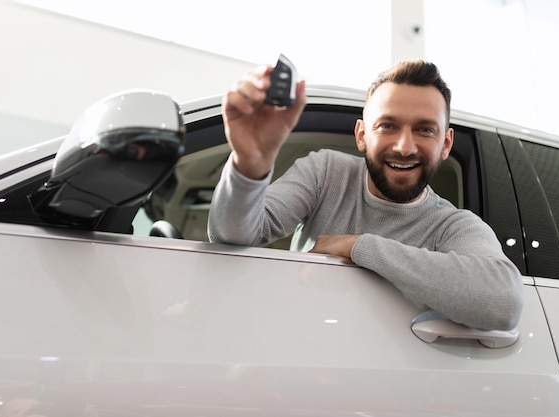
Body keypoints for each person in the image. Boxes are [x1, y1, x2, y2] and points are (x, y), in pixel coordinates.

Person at [207, 59, 523, 331]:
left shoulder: (453, 226)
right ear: (362, 135)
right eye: (387, 126)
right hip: (294, 352)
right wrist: (249, 163)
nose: (404, 147)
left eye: (425, 130)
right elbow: (231, 234)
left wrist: (358, 245)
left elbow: (502, 301)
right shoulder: (326, 172)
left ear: (446, 144)